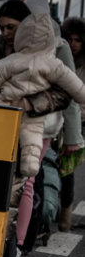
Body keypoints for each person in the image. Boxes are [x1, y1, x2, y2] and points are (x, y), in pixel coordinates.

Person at [0, 9, 85, 257]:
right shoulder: (50, 61)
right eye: (2, 27)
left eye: (12, 26)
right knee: (23, 172)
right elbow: (76, 89)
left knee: (23, 183)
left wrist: (72, 136)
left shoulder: (24, 57)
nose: (6, 32)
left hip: (15, 115)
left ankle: (14, 243)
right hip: (21, 122)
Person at [58, 17, 85, 231]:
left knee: (67, 170)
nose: (74, 44)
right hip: (59, 120)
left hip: (79, 122)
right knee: (60, 169)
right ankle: (60, 215)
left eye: (78, 40)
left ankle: (65, 217)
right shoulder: (58, 58)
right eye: (70, 39)